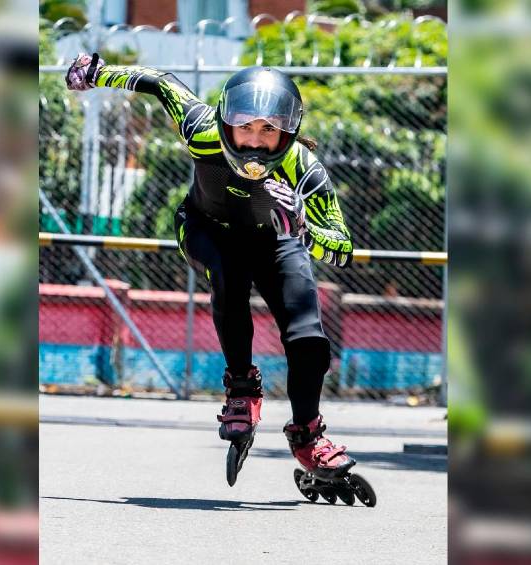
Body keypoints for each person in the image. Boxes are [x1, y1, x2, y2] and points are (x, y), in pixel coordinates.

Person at [66, 53, 356, 481]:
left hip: (277, 241)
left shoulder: (303, 169)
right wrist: (98, 72)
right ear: (225, 122)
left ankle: (308, 435)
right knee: (228, 273)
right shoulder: (202, 130)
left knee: (309, 339)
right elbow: (161, 81)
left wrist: (307, 230)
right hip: (207, 230)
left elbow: (343, 247)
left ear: (288, 133)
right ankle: (241, 387)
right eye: (246, 127)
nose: (255, 142)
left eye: (269, 131)